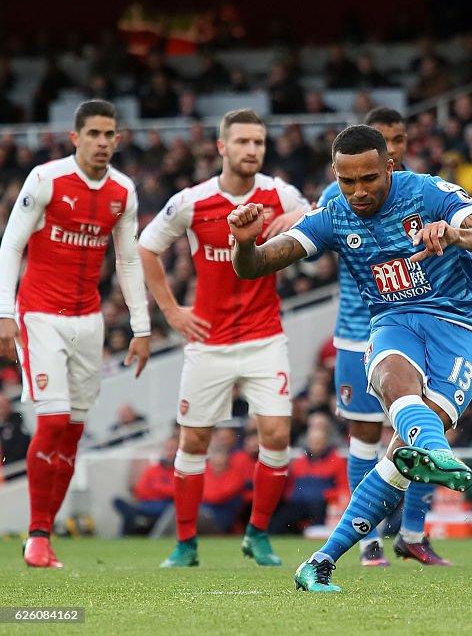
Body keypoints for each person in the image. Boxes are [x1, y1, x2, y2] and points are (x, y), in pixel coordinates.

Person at [227, 124, 472, 592]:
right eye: (347, 181)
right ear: (335, 175)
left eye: (369, 179)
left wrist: (455, 233)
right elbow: (256, 267)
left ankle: (321, 561)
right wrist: (245, 244)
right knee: (390, 375)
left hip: (460, 328)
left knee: (396, 463)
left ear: (389, 167)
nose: (358, 191)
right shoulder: (333, 214)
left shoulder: (428, 193)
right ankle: (435, 448)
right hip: (394, 320)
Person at [138, 108, 310, 568]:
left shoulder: (279, 192)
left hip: (264, 336)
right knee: (193, 443)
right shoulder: (192, 201)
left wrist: (297, 213)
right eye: (243, 142)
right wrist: (172, 311)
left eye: (259, 142)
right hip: (209, 342)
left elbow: (319, 216)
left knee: (276, 435)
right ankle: (185, 543)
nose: (252, 150)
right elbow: (146, 247)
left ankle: (257, 535)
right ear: (222, 147)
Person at [0, 99, 151, 568]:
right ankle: (38, 534)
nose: (103, 142)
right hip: (40, 314)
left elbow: (127, 260)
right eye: (94, 134)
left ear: (117, 140)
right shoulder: (46, 179)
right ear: (76, 138)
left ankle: (43, 534)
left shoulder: (123, 191)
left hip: (89, 322)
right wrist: (5, 313)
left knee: (74, 430)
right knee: (52, 420)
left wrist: (141, 326)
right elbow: (11, 243)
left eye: (110, 135)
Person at [318, 108, 451, 565]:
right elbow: (308, 229)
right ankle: (369, 540)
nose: (393, 147)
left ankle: (413, 534)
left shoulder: (420, 194)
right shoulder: (339, 197)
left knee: (420, 429)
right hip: (359, 332)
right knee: (364, 435)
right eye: (386, 139)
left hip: (416, 328)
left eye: (398, 139)